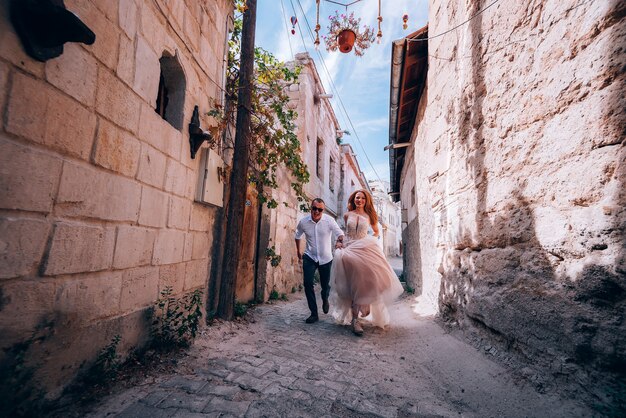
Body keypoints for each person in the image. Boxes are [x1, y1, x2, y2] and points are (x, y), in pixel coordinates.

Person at [330, 189, 404, 336]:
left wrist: (368, 241)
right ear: (353, 199)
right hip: (349, 249)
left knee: (369, 278)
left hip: (363, 248)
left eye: (363, 198)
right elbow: (345, 233)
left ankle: (365, 302)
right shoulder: (347, 215)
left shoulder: (370, 216)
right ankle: (355, 319)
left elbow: (376, 232)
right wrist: (340, 241)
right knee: (351, 284)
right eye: (357, 198)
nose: (360, 200)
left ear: (366, 200)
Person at [295, 198, 345, 324]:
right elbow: (297, 235)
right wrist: (298, 251)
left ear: (323, 210)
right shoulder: (303, 222)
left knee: (325, 285)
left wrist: (339, 241)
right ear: (310, 207)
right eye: (314, 208)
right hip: (309, 257)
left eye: (320, 209)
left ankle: (325, 298)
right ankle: (313, 313)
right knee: (307, 283)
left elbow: (340, 233)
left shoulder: (329, 220)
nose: (316, 211)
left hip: (326, 258)